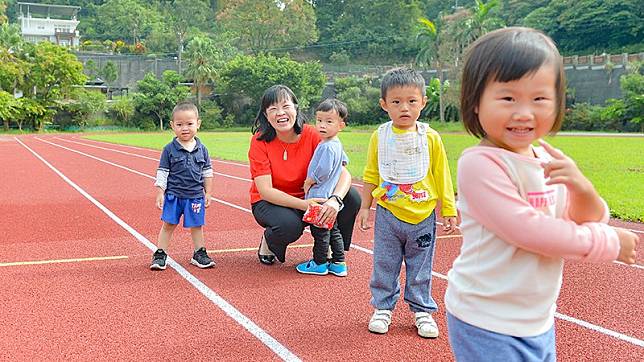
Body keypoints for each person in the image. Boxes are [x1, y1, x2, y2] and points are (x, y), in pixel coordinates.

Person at [444, 27, 639, 361]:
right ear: (475, 102)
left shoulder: (548, 158)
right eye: (508, 98)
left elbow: (588, 217)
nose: (524, 112)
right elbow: (529, 231)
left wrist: (582, 186)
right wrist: (607, 242)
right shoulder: (480, 164)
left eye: (539, 99)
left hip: (536, 319)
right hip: (486, 318)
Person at [356, 68, 458, 339]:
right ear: (384, 105)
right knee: (385, 263)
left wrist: (448, 209)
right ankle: (382, 308)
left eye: (412, 101)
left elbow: (442, 173)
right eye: (396, 102)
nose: (405, 107)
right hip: (388, 214)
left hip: (422, 215)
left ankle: (422, 310)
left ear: (423, 102)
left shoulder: (430, 137)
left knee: (420, 268)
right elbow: (371, 173)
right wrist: (365, 206)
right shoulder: (380, 136)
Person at [248, 85, 361, 266]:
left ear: (296, 108)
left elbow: (343, 173)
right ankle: (269, 241)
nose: (280, 113)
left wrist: (334, 200)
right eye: (273, 109)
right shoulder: (260, 141)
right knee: (289, 227)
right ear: (266, 115)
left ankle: (333, 246)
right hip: (271, 202)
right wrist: (305, 205)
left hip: (310, 195)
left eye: (286, 106)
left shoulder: (314, 134)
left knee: (351, 197)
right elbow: (265, 191)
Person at [150, 101, 216, 270]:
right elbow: (162, 172)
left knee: (196, 226)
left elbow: (207, 172)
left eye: (189, 124)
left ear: (198, 124)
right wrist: (160, 193)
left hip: (195, 196)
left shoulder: (203, 150)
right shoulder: (169, 149)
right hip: (174, 195)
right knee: (168, 225)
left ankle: (199, 253)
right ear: (172, 126)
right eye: (179, 124)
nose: (184, 128)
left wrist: (208, 193)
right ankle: (160, 254)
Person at [296, 98, 350, 277]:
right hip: (329, 197)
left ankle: (319, 263)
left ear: (340, 125)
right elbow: (344, 161)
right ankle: (339, 263)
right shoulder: (337, 144)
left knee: (319, 232)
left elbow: (324, 170)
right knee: (333, 230)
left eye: (329, 121)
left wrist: (310, 180)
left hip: (320, 196)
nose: (322, 125)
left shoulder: (327, 146)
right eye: (319, 120)